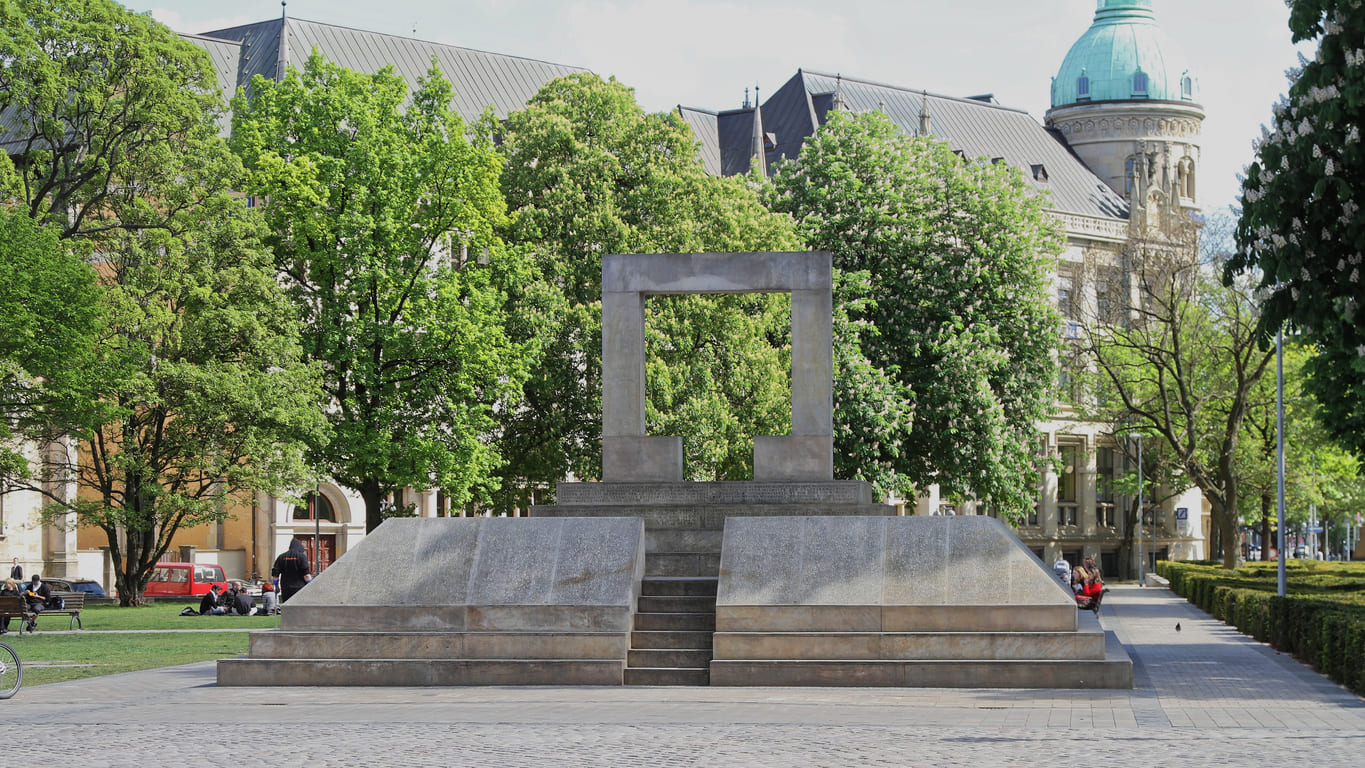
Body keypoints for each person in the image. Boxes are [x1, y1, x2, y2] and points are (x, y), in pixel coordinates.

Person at [272, 538, 311, 604]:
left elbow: (275, 575)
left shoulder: (281, 557)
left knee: (287, 606)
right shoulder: (301, 557)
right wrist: (311, 585)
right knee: (298, 607)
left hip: (285, 588)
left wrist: (276, 586)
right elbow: (306, 575)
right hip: (299, 587)